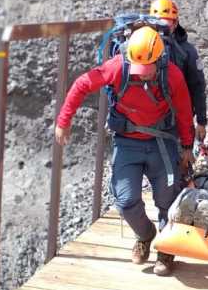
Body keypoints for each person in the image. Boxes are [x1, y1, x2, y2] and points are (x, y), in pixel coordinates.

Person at [55, 27, 195, 276]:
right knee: (125, 200)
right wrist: (64, 121)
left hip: (161, 142)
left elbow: (184, 111)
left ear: (159, 59)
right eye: (137, 69)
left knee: (166, 200)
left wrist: (187, 146)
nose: (141, 75)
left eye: (146, 70)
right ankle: (145, 235)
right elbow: (82, 84)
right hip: (127, 142)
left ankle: (165, 249)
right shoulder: (118, 67)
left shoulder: (172, 75)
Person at [149, 0, 208, 142]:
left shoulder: (187, 51)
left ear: (175, 23)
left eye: (167, 21)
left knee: (180, 161)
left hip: (177, 119)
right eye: (158, 22)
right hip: (146, 118)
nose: (162, 26)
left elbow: (198, 87)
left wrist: (201, 121)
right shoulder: (141, 46)